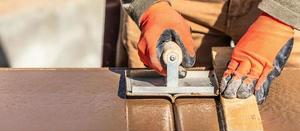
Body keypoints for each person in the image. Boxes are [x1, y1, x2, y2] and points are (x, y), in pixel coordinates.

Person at [119, 0, 300, 104]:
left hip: (278, 8)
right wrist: (150, 7)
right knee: (148, 114)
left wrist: (283, 15)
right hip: (176, 5)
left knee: (284, 115)